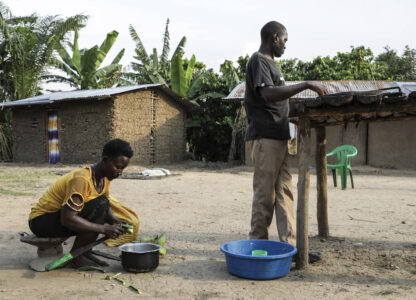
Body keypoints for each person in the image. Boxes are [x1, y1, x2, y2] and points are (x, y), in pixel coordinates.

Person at [245, 21, 327, 262]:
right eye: (285, 41)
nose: (285, 46)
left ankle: (290, 249)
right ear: (275, 37)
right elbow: (268, 93)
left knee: (284, 193)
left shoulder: (272, 64)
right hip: (265, 137)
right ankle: (257, 248)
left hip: (278, 137)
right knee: (265, 195)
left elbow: (276, 100)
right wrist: (306, 84)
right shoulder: (259, 60)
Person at [28, 138, 139, 267]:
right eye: (117, 167)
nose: (119, 172)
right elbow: (67, 219)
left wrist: (113, 220)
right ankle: (76, 256)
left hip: (58, 218)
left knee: (103, 203)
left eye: (122, 169)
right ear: (105, 160)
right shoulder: (81, 179)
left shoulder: (104, 178)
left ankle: (84, 253)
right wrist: (103, 228)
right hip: (41, 222)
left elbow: (104, 201)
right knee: (100, 205)